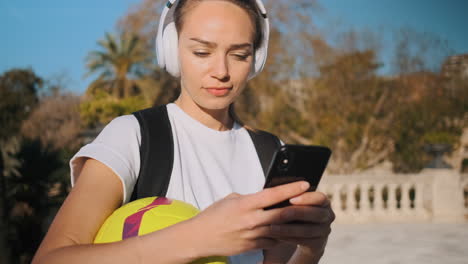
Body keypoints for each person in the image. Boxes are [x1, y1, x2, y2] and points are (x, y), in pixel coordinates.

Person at [32, 0, 335, 263]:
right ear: (171, 49)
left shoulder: (269, 150)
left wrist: (311, 249)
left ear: (256, 59)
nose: (221, 70)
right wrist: (200, 237)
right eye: (202, 51)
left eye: (239, 55)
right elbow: (51, 259)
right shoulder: (133, 136)